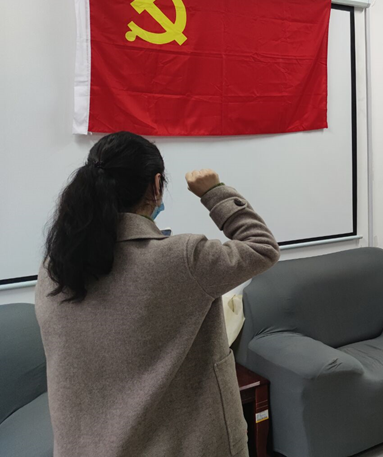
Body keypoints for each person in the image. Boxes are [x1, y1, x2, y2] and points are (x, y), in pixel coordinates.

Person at [35, 131, 280, 457]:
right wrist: (215, 192)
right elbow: (262, 248)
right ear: (155, 186)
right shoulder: (181, 259)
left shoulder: (54, 269)